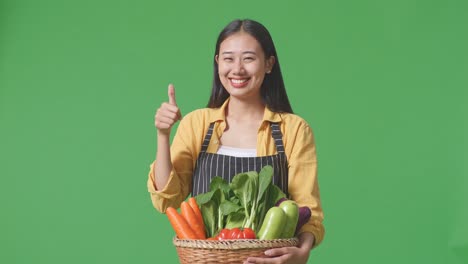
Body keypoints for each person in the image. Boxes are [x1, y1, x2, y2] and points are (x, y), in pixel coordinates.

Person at [148, 19, 324, 264]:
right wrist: (163, 135)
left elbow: (308, 210)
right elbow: (168, 199)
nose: (237, 69)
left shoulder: (293, 130)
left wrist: (302, 253)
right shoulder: (197, 124)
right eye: (228, 58)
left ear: (269, 64)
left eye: (249, 58)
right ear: (217, 62)